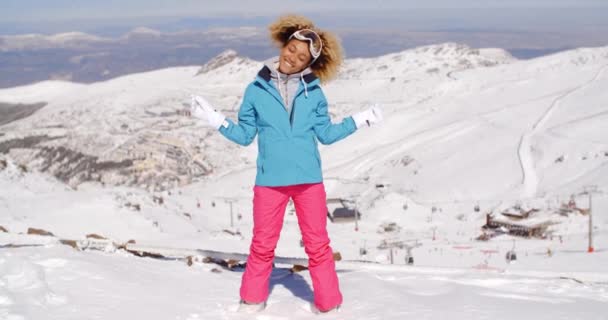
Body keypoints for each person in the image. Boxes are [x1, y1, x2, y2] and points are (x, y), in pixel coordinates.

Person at [189, 14, 383, 313]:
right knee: (263, 245)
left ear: (310, 64)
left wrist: (361, 120)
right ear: (285, 43)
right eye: (292, 48)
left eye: (302, 56)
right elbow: (243, 135)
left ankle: (328, 306)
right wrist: (213, 118)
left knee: (318, 246)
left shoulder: (314, 93)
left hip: (309, 181)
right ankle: (252, 300)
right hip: (270, 182)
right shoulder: (256, 89)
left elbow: (327, 135)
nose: (293, 57)